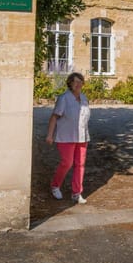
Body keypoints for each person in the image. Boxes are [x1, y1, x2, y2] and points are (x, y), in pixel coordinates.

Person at [46, 72, 91, 204]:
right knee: (67, 163)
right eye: (75, 82)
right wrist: (50, 135)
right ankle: (55, 185)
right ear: (70, 84)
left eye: (80, 82)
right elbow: (54, 117)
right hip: (66, 136)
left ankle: (76, 193)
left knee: (80, 165)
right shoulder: (64, 98)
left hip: (82, 137)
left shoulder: (84, 98)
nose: (78, 84)